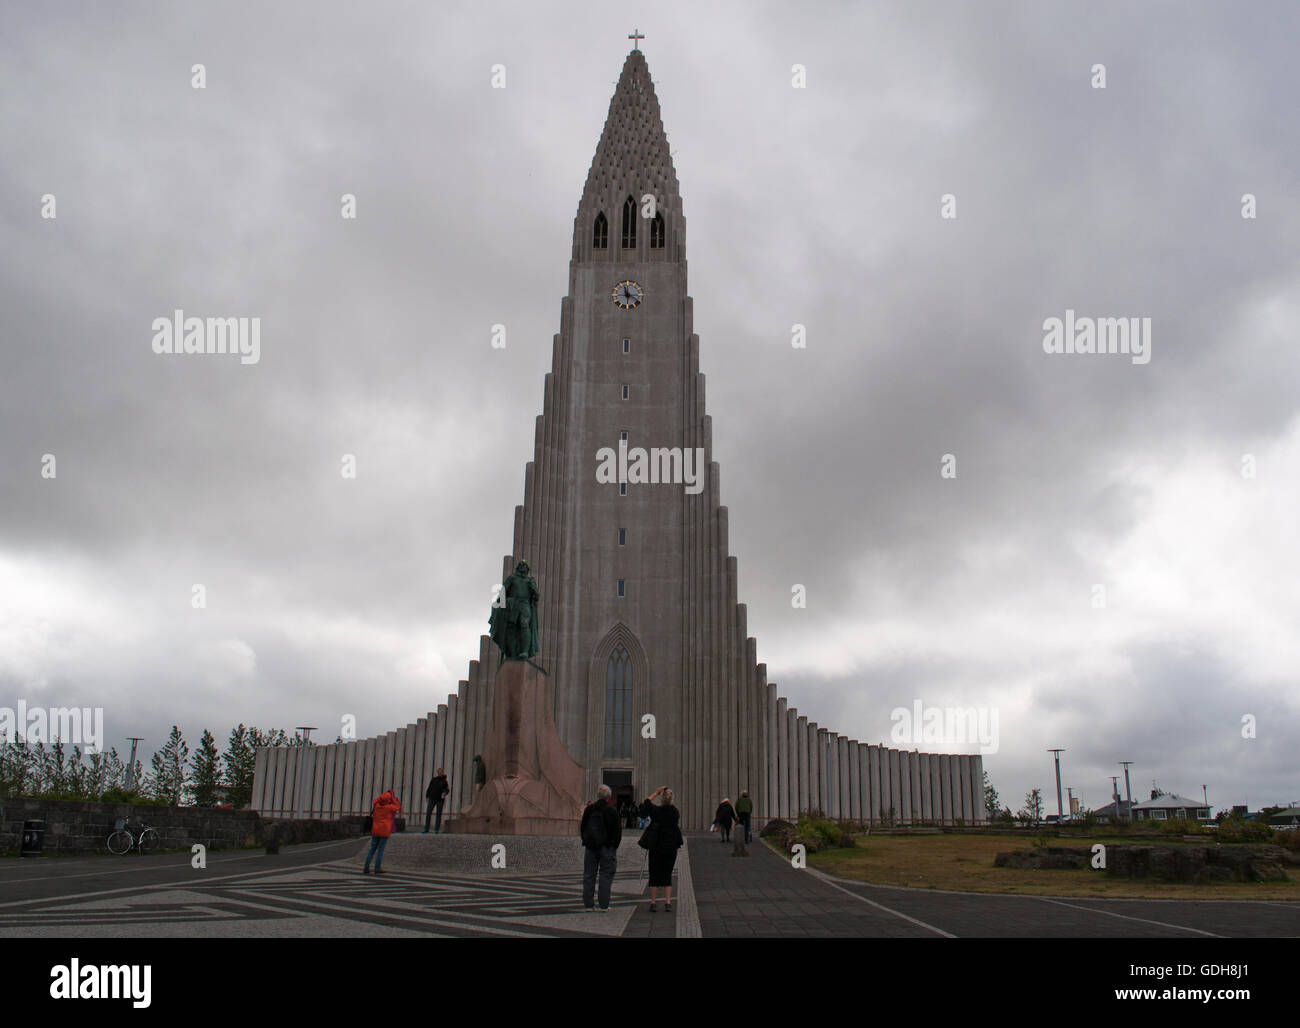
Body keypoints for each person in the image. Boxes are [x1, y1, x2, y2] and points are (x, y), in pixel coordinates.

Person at [639, 786, 683, 913]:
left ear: (662, 799)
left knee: (654, 873)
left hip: (656, 846)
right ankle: (668, 902)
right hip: (670, 846)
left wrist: (656, 792)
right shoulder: (675, 812)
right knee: (667, 874)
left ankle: (653, 902)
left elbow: (646, 803)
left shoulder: (657, 811)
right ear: (671, 799)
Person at [580, 784, 622, 911]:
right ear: (609, 797)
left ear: (598, 795)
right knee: (605, 876)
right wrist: (613, 846)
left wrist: (587, 841)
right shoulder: (612, 811)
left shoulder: (589, 809)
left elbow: (583, 828)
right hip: (607, 848)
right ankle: (604, 905)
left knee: (589, 875)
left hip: (591, 847)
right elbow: (618, 832)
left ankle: (588, 905)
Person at [363, 787, 401, 874]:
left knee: (372, 849)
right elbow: (398, 807)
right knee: (380, 850)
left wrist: (381, 798)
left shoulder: (376, 806)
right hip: (384, 831)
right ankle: (377, 867)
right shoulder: (388, 807)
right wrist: (393, 799)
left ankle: (366, 867)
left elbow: (375, 800)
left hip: (375, 830)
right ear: (388, 800)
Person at [424, 768, 449, 833]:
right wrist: (427, 796)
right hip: (432, 798)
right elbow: (429, 788)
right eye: (439, 772)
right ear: (437, 772)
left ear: (443, 772)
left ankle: (436, 829)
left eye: (441, 772)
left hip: (440, 799)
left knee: (438, 814)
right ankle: (426, 829)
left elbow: (447, 789)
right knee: (428, 813)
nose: (440, 773)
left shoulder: (445, 781)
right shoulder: (434, 779)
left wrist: (445, 793)